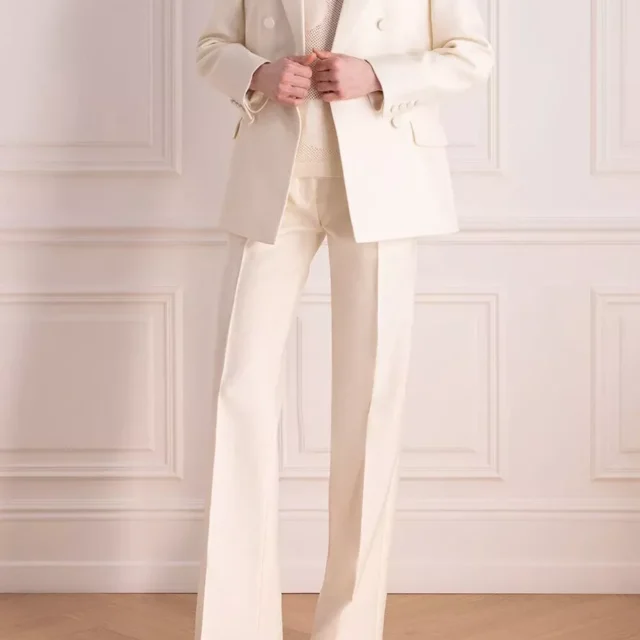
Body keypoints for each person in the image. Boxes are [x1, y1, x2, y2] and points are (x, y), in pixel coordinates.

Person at [194, 1, 493, 638]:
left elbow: (471, 55)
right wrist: (258, 73)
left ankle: (348, 627)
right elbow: (212, 46)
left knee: (370, 402)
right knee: (238, 390)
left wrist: (379, 75)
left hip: (384, 178)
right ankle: (234, 624)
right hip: (273, 177)